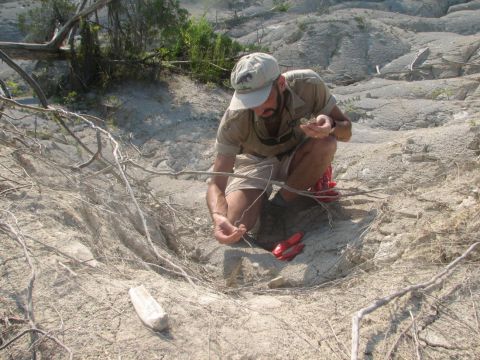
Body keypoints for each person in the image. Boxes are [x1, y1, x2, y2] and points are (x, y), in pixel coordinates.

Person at [206, 52, 352, 245]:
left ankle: (278, 207)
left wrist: (330, 126)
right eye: (249, 101)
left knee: (326, 144)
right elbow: (217, 182)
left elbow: (347, 131)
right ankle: (265, 201)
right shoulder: (234, 119)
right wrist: (218, 215)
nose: (256, 108)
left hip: (298, 155)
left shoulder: (307, 84)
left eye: (262, 98)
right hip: (256, 162)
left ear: (281, 83)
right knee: (234, 225)